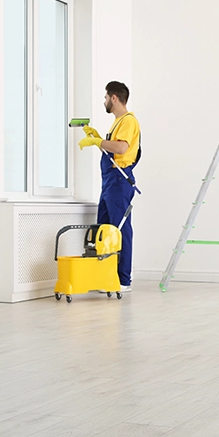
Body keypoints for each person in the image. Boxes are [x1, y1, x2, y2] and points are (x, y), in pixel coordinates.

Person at [78, 81, 141, 292]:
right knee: (104, 230)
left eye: (106, 97)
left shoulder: (128, 121)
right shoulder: (117, 122)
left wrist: (98, 142)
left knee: (119, 230)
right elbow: (112, 149)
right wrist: (98, 139)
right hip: (109, 183)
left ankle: (123, 280)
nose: (104, 101)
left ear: (114, 97)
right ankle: (105, 277)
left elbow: (122, 148)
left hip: (119, 182)